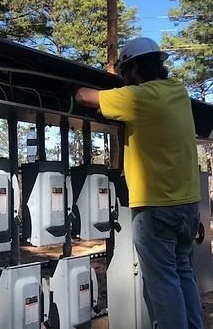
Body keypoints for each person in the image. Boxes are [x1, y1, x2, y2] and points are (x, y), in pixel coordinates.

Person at [75, 37, 203, 329]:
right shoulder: (178, 92)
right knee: (183, 272)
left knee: (163, 282)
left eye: (124, 73)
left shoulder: (140, 97)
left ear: (133, 69)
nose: (123, 79)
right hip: (188, 205)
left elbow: (83, 96)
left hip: (157, 207)